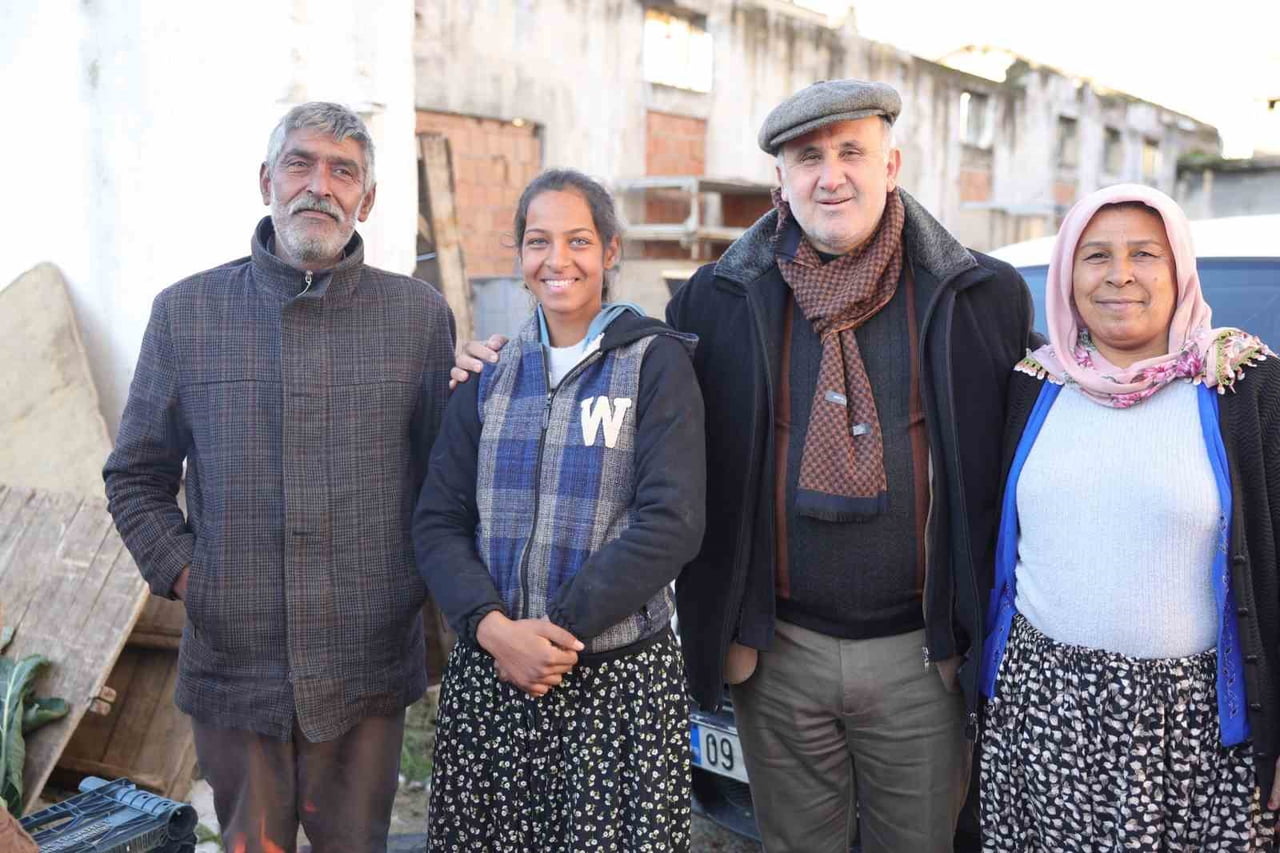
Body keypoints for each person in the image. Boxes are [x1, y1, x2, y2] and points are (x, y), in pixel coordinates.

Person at [453, 81, 1033, 852]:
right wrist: (494, 356)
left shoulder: (980, 296)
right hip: (778, 654)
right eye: (809, 158)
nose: (832, 176)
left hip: (922, 657)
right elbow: (630, 392)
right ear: (780, 186)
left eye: (851, 152)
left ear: (891, 164)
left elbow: (1030, 443)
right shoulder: (716, 301)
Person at [103, 102, 455, 853]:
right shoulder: (187, 315)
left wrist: (410, 591)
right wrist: (195, 578)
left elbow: (441, 486)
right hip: (235, 667)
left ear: (369, 198)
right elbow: (135, 475)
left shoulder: (418, 318)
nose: (319, 186)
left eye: (343, 171)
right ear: (267, 179)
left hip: (366, 667)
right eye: (301, 163)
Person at [980, 183, 1280, 850]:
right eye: (1096, 256)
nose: (1120, 275)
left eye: (1146, 253)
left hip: (1195, 733)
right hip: (1042, 717)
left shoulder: (1241, 383)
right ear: (1067, 274)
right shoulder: (1033, 384)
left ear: (1179, 270)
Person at [414, 169, 705, 851]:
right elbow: (438, 520)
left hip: (617, 687)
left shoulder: (654, 364)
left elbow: (673, 520)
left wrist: (552, 635)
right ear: (519, 258)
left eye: (578, 240)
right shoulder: (487, 376)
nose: (557, 259)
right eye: (538, 241)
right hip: (494, 682)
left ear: (609, 251)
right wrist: (493, 629)